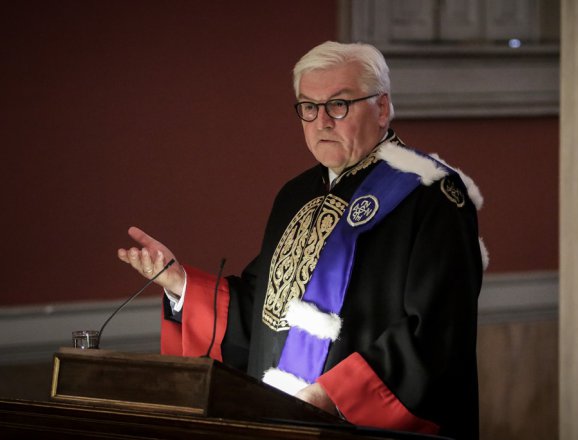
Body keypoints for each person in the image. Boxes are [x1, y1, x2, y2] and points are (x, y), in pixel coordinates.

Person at [118, 41, 486, 439]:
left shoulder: (429, 194)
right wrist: (180, 283)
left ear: (381, 108)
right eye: (309, 107)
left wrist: (333, 395)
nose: (322, 121)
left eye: (339, 105)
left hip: (363, 426)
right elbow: (262, 310)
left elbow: (437, 331)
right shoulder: (297, 193)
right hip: (285, 423)